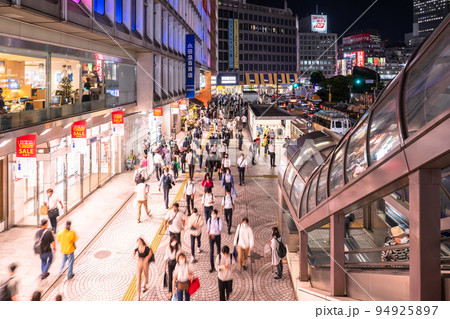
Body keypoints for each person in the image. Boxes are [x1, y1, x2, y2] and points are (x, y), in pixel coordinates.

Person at [164, 235, 181, 300]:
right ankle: (170, 292)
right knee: (170, 277)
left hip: (176, 262)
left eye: (175, 241)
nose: (174, 242)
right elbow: (166, 256)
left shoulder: (178, 246)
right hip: (170, 262)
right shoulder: (168, 248)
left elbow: (179, 254)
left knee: (177, 276)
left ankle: (178, 288)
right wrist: (165, 266)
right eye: (172, 241)